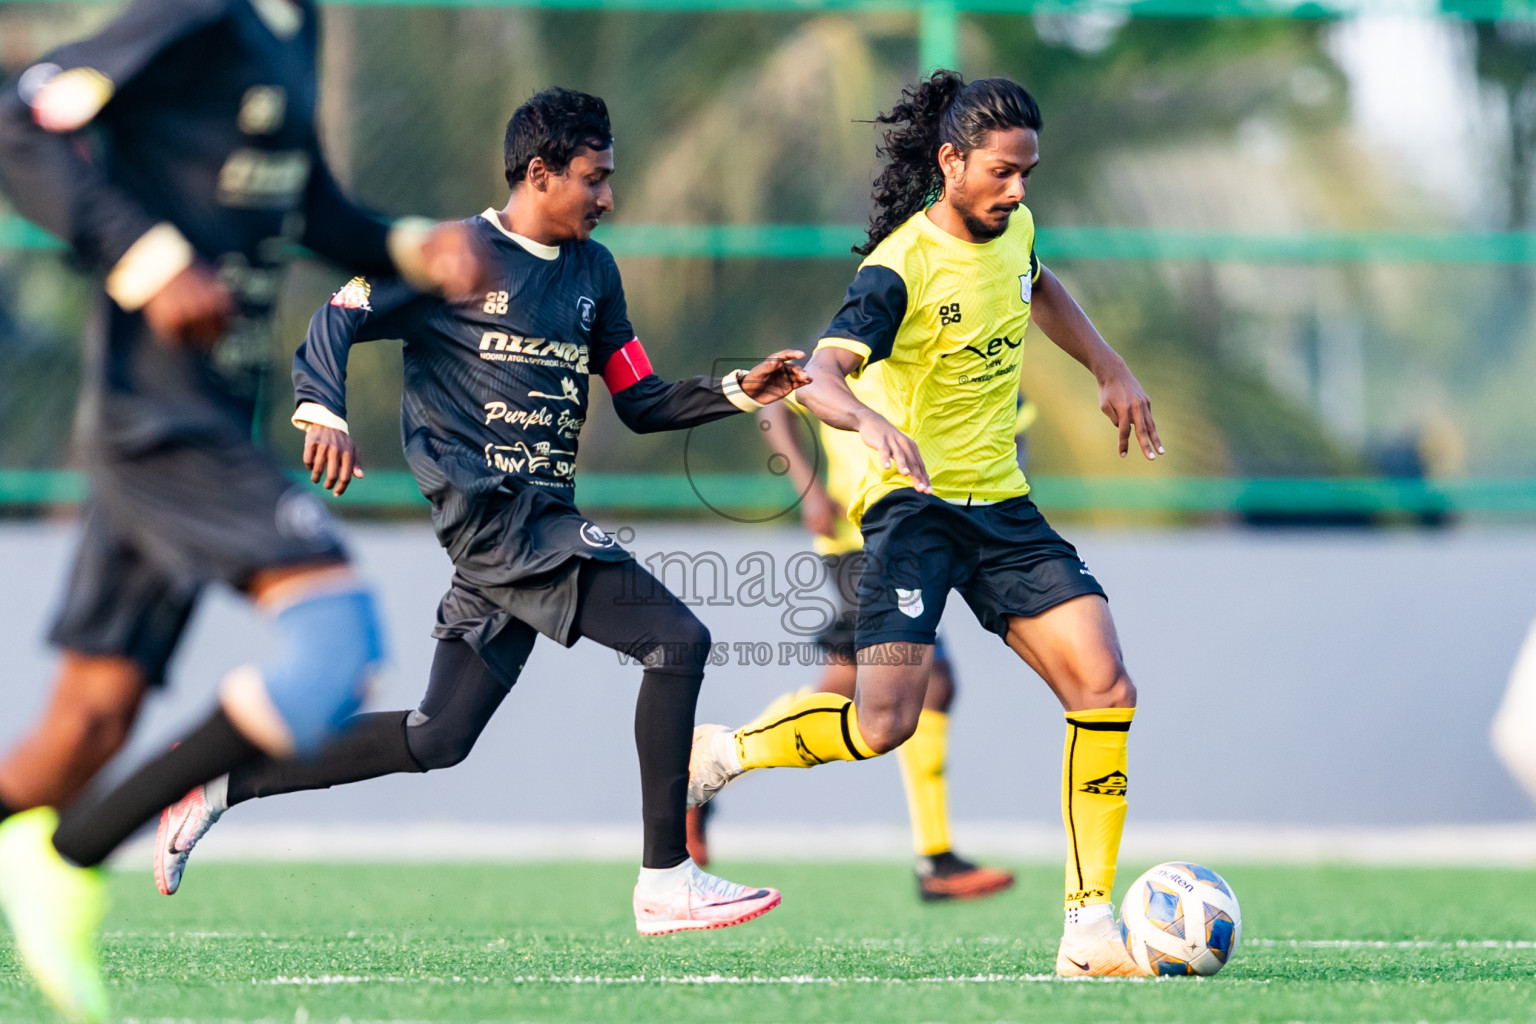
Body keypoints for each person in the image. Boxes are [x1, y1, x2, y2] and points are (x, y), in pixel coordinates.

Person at [153, 87, 807, 939]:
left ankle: (214, 782)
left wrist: (733, 389)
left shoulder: (592, 273)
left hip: (533, 522)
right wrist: (321, 408)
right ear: (539, 174)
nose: (608, 198)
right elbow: (338, 314)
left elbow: (640, 400)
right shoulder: (453, 254)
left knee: (440, 734)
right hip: (495, 517)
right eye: (594, 179)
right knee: (676, 639)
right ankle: (665, 879)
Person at [0, 0, 485, 1017]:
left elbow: (305, 205)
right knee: (331, 648)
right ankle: (67, 854)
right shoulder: (191, 13)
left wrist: (409, 247)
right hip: (161, 425)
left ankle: (45, 837)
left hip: (210, 419)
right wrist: (147, 260)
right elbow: (18, 118)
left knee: (88, 723)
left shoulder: (289, 24)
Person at [685, 71, 1164, 978]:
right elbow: (818, 373)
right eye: (1000, 172)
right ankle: (726, 754)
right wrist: (867, 420)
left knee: (1104, 688)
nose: (1019, 190)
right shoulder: (897, 268)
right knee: (884, 722)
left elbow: (1036, 278)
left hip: (1005, 509)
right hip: (911, 515)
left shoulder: (1014, 228)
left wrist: (1107, 363)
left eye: (1028, 172)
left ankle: (1090, 932)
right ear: (951, 162)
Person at [683, 386, 1033, 903]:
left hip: (924, 535)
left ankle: (702, 774)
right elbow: (777, 402)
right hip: (860, 535)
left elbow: (1011, 440)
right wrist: (809, 489)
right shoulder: (862, 346)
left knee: (843, 690)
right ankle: (935, 858)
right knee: (929, 682)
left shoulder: (981, 353)